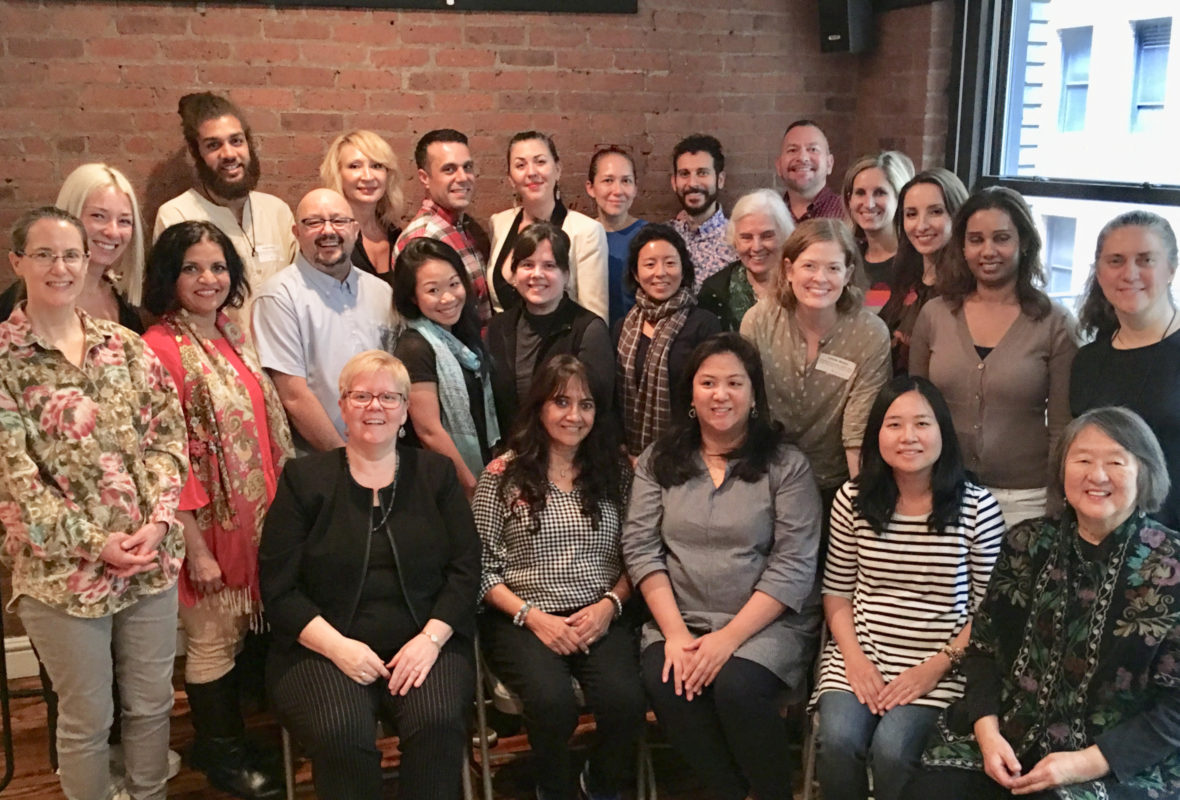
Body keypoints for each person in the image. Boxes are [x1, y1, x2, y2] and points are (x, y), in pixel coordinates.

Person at [0, 207, 188, 800]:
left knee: (152, 706)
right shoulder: (5, 361)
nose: (61, 267)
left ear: (88, 262)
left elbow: (167, 436)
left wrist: (158, 521)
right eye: (45, 255)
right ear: (17, 263)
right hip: (62, 576)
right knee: (87, 722)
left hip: (149, 563)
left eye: (72, 255)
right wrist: (96, 542)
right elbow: (15, 483)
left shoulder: (123, 345)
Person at [911, 407, 1180, 799]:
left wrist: (1085, 762)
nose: (1097, 475)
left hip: (1118, 760)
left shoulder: (1171, 564)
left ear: (1145, 471)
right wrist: (988, 736)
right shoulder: (1026, 543)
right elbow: (984, 650)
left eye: (1116, 462)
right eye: (1083, 459)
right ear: (1061, 469)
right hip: (1008, 736)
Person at [260, 350, 480, 800]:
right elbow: (278, 588)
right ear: (341, 406)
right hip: (323, 646)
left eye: (388, 397)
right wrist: (339, 648)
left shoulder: (435, 475)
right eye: (360, 396)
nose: (374, 407)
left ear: (405, 410)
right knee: (342, 733)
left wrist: (431, 640)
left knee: (437, 724)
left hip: (424, 642)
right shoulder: (304, 479)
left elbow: (465, 570)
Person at [622, 332, 823, 800]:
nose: (720, 394)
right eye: (708, 382)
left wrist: (727, 640)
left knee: (737, 686)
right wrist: (675, 634)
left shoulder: (786, 465)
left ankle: (772, 792)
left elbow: (793, 563)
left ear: (754, 394)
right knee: (667, 682)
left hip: (766, 626)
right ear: (690, 393)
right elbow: (641, 548)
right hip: (681, 618)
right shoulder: (659, 459)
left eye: (734, 383)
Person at [141, 221, 294, 799]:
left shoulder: (230, 333)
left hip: (255, 517)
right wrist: (196, 548)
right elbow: (167, 454)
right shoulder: (161, 347)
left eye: (218, 267)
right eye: (192, 268)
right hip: (205, 526)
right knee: (211, 640)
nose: (208, 279)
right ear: (168, 276)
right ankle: (222, 758)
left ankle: (234, 739)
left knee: (235, 639)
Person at [812, 376, 1005, 800]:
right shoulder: (852, 498)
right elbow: (838, 591)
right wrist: (855, 660)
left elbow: (987, 612)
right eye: (894, 424)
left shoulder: (977, 506)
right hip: (859, 652)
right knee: (839, 743)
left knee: (894, 750)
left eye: (922, 424)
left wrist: (934, 667)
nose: (909, 437)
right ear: (876, 433)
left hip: (942, 661)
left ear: (943, 433)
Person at [475, 355, 643, 800]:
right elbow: (481, 569)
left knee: (625, 702)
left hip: (601, 611)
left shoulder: (616, 472)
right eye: (561, 402)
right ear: (539, 408)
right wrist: (533, 618)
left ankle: (600, 782)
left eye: (586, 404)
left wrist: (611, 605)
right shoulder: (502, 475)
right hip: (521, 617)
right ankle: (553, 787)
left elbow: (638, 557)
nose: (574, 415)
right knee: (552, 704)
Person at [910, 188, 1079, 526]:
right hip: (945, 490)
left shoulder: (1055, 323)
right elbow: (915, 408)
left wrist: (1057, 502)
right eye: (975, 239)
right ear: (962, 246)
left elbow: (1062, 426)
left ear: (1024, 242)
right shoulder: (934, 315)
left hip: (1024, 498)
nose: (988, 251)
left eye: (1001, 238)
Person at [740, 219, 891, 532]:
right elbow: (746, 407)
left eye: (833, 268)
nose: (820, 278)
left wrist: (859, 511)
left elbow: (857, 430)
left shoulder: (870, 334)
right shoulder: (758, 322)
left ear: (848, 274)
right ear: (789, 269)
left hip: (832, 484)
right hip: (765, 477)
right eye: (809, 265)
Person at [252, 188, 398, 453]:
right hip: (322, 461)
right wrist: (345, 459)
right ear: (296, 233)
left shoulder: (382, 293)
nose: (328, 231)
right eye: (314, 222)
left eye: (339, 221)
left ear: (355, 230)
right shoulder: (278, 297)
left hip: (385, 452)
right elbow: (294, 396)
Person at [1070, 212, 1180, 529]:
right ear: (1099, 272)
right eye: (1116, 261)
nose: (1129, 273)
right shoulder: (1087, 361)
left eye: (1145, 260)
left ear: (1171, 269)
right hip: (1105, 543)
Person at [154, 92, 296, 291]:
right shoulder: (177, 216)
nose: (229, 154)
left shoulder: (277, 211)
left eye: (236, 141)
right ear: (196, 154)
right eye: (213, 145)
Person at [392, 237, 499, 497]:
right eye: (433, 290)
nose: (448, 297)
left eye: (454, 284)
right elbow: (428, 431)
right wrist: (471, 485)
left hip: (478, 473)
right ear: (413, 298)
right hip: (442, 483)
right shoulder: (415, 347)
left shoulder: (463, 337)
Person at [486, 223, 614, 435]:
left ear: (565, 275)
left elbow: (598, 408)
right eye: (527, 265)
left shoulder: (588, 330)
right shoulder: (498, 327)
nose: (537, 274)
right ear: (514, 274)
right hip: (513, 455)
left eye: (549, 266)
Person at [613, 224, 721, 458]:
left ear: (683, 270)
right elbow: (612, 399)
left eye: (670, 263)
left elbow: (712, 396)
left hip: (688, 454)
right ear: (635, 273)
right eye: (650, 264)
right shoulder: (623, 327)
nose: (660, 272)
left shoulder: (704, 324)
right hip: (628, 457)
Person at [0, 163, 146, 331]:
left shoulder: (124, 304)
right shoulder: (16, 302)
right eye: (98, 216)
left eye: (124, 221)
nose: (113, 232)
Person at [488, 131, 608, 320]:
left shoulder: (586, 231)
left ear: (557, 169)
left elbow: (595, 317)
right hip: (503, 346)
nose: (531, 172)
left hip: (563, 347)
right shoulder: (499, 224)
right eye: (520, 165)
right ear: (510, 178)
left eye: (540, 162)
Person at [879, 168, 968, 374]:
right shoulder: (904, 280)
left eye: (936, 212)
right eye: (911, 214)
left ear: (958, 215)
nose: (921, 225)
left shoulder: (969, 290)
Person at [396, 129, 491, 322]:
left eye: (467, 167)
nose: (463, 177)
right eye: (449, 169)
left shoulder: (464, 226)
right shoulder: (422, 239)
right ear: (424, 177)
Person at [697, 188, 795, 331]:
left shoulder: (803, 284)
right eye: (746, 237)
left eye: (767, 236)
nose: (756, 247)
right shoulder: (714, 292)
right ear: (734, 240)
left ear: (785, 235)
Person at [319, 130, 404, 276]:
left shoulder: (396, 235)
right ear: (337, 174)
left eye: (376, 166)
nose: (368, 176)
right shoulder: (327, 238)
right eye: (355, 166)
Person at [840, 151, 915, 313]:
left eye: (880, 193)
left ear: (900, 198)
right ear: (849, 199)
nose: (869, 203)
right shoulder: (844, 258)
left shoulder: (916, 260)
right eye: (860, 193)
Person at [667, 134, 738, 290]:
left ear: (720, 180)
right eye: (684, 174)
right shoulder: (664, 236)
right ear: (674, 182)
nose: (692, 183)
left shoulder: (738, 240)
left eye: (702, 173)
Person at [585, 146, 646, 327]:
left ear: (635, 188)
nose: (617, 190)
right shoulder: (581, 235)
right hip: (591, 339)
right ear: (591, 187)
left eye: (626, 181)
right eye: (608, 180)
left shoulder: (649, 237)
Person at [775, 120, 844, 223]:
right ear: (779, 165)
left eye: (813, 149)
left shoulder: (848, 214)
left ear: (829, 164)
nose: (803, 158)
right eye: (792, 150)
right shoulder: (769, 216)